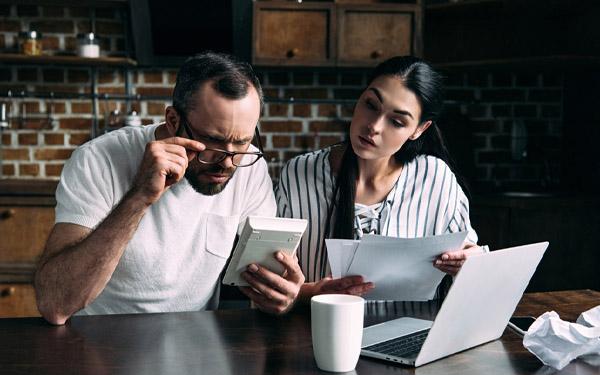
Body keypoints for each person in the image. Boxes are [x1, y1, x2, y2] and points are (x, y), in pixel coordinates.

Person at [34, 51, 304, 325]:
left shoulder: (248, 165)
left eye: (242, 142)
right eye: (212, 141)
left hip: (193, 348)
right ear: (173, 121)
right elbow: (55, 303)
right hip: (98, 345)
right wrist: (139, 197)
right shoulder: (96, 161)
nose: (226, 162)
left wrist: (282, 295)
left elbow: (271, 276)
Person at [275, 56, 486, 303]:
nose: (374, 126)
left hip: (409, 334)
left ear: (419, 129)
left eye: (396, 122)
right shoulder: (298, 173)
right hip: (315, 333)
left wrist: (472, 263)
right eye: (371, 105)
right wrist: (308, 294)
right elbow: (270, 283)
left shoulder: (436, 179)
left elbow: (474, 263)